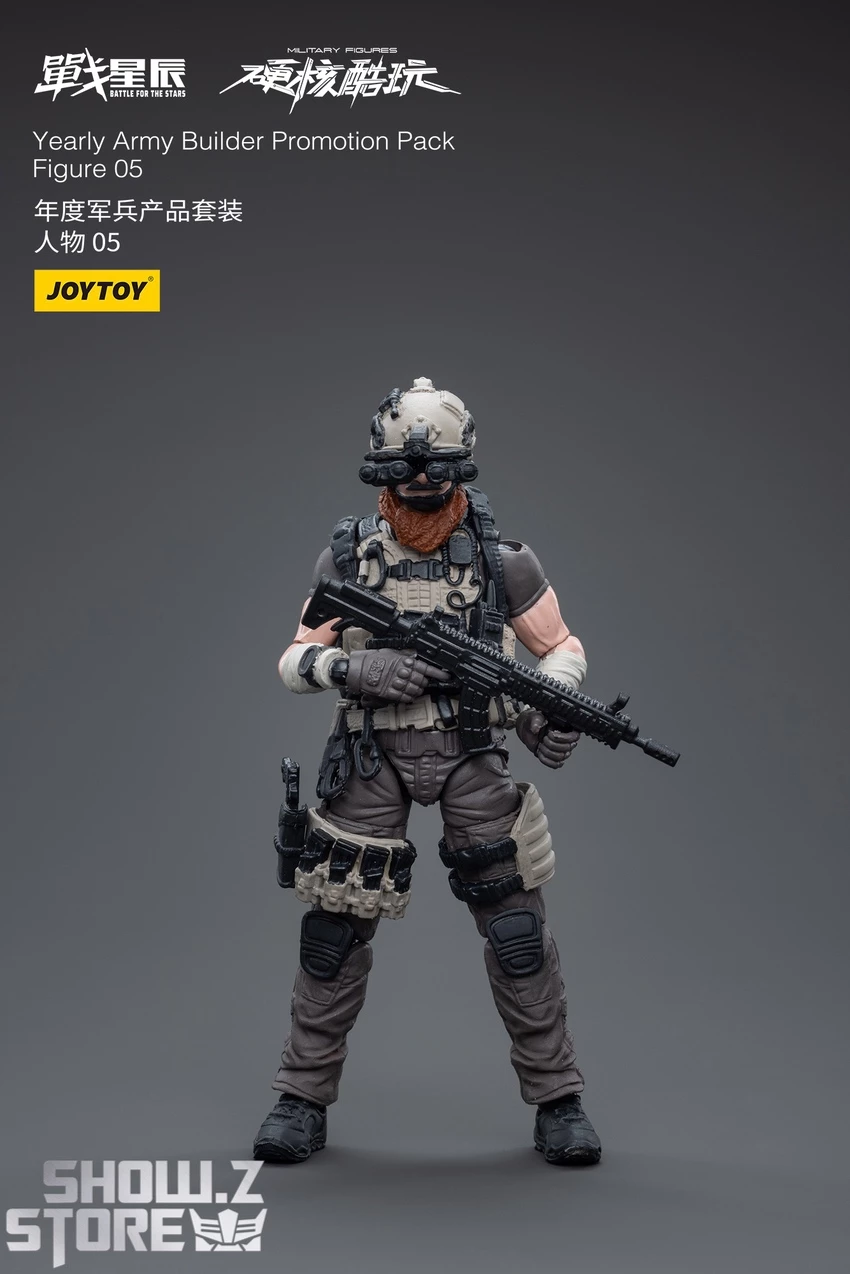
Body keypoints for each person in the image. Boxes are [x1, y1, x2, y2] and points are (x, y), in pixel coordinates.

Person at [253, 378, 602, 1166]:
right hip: (369, 753)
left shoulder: (502, 561)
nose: (418, 485)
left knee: (516, 929)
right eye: (402, 472)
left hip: (471, 752)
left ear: (459, 466)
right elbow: (295, 659)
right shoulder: (349, 557)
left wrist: (553, 700)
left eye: (433, 470)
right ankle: (299, 1096)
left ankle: (559, 1099)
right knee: (334, 928)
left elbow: (561, 647)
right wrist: (354, 670)